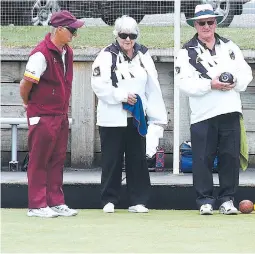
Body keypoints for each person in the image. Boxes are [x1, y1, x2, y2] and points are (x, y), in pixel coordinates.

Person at [174, 4, 253, 215]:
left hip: (230, 109)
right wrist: (211, 85)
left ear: (216, 23)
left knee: (230, 157)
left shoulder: (230, 46)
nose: (206, 26)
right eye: (202, 23)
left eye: (210, 22)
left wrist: (234, 81)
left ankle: (227, 199)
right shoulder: (186, 52)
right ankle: (205, 200)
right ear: (195, 25)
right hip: (203, 113)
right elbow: (184, 83)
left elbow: (246, 73)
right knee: (202, 158)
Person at [91, 15, 167, 214]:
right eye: (123, 35)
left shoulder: (143, 54)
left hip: (136, 117)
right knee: (112, 159)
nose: (128, 39)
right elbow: (99, 85)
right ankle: (109, 199)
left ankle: (139, 199)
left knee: (138, 159)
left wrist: (156, 117)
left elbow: (153, 86)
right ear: (117, 35)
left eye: (132, 35)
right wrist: (122, 96)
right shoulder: (106, 55)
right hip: (112, 117)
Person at [19, 10, 84, 218]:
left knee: (57, 159)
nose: (75, 34)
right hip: (42, 114)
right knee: (39, 159)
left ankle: (55, 201)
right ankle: (37, 205)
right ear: (59, 29)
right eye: (72, 30)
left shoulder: (68, 52)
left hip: (60, 114)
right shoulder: (40, 54)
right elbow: (25, 84)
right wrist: (29, 105)